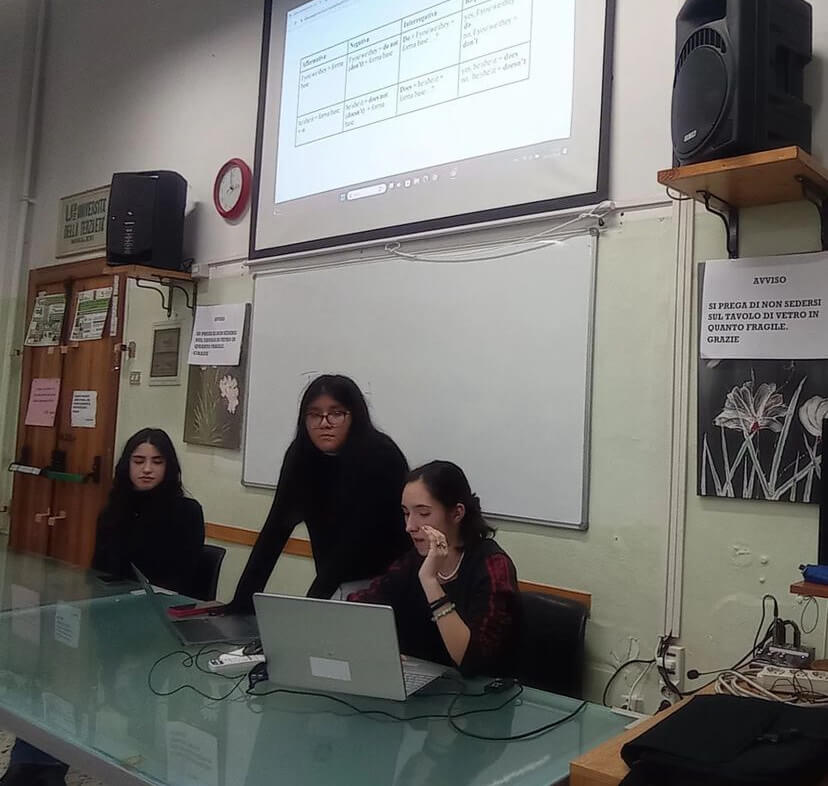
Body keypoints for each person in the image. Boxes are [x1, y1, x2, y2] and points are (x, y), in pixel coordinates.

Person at [0, 429, 204, 786]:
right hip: (109, 619)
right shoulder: (114, 509)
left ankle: (50, 762)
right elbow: (100, 571)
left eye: (157, 462)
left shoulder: (186, 512)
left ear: (169, 467)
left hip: (157, 628)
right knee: (57, 664)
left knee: (82, 671)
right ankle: (35, 764)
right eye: (138, 461)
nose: (147, 469)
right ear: (127, 465)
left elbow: (182, 579)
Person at [228, 374, 411, 612]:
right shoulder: (301, 456)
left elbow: (355, 541)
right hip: (334, 580)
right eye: (314, 415)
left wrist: (312, 605)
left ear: (355, 416)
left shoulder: (381, 456)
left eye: (336, 413)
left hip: (386, 582)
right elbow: (274, 530)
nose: (325, 423)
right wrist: (240, 604)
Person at [348, 461, 520, 677]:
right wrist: (378, 646)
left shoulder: (492, 565)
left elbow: (473, 661)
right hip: (422, 682)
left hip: (478, 689)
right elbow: (360, 606)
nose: (410, 526)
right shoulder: (412, 561)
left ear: (456, 513)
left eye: (423, 514)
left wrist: (430, 582)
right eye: (406, 513)